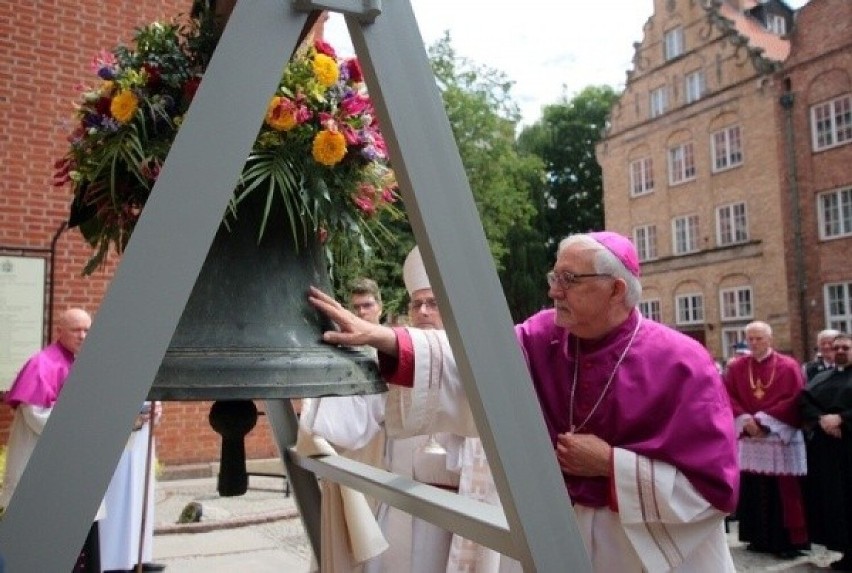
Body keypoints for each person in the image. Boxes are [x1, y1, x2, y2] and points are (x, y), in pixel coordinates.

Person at [309, 232, 739, 572]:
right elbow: (475, 365)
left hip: (634, 542)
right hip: (553, 525)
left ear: (616, 290)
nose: (554, 291)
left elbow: (710, 488)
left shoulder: (684, 363)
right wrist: (386, 339)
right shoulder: (541, 336)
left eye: (570, 280)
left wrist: (611, 465)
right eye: (555, 277)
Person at [301, 251, 505, 572]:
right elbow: (344, 430)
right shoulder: (392, 358)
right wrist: (333, 358)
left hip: (461, 517)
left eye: (434, 303)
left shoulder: (485, 360)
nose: (423, 311)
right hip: (397, 508)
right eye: (416, 303)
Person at [1, 308, 104, 573]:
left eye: (87, 330)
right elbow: (36, 415)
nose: (82, 336)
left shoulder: (80, 361)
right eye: (75, 330)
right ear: (60, 331)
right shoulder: (42, 364)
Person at [723, 320, 809, 559]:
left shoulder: (788, 366)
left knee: (783, 490)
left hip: (778, 435)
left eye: (759, 338)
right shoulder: (738, 367)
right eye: (750, 338)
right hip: (750, 436)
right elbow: (727, 395)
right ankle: (757, 537)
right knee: (753, 487)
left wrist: (763, 422)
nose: (754, 342)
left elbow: (794, 398)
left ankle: (785, 541)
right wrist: (745, 420)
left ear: (770, 339)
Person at [800, 332, 852, 571]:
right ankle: (846, 551)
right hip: (828, 452)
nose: (840, 351)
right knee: (837, 503)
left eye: (846, 348)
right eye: (836, 347)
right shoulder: (822, 377)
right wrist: (822, 420)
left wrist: (841, 419)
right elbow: (804, 401)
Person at [100, 401, 166, 573]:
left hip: (141, 443)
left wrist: (154, 412)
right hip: (115, 446)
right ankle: (112, 561)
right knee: (117, 505)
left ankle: (137, 558)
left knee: (138, 504)